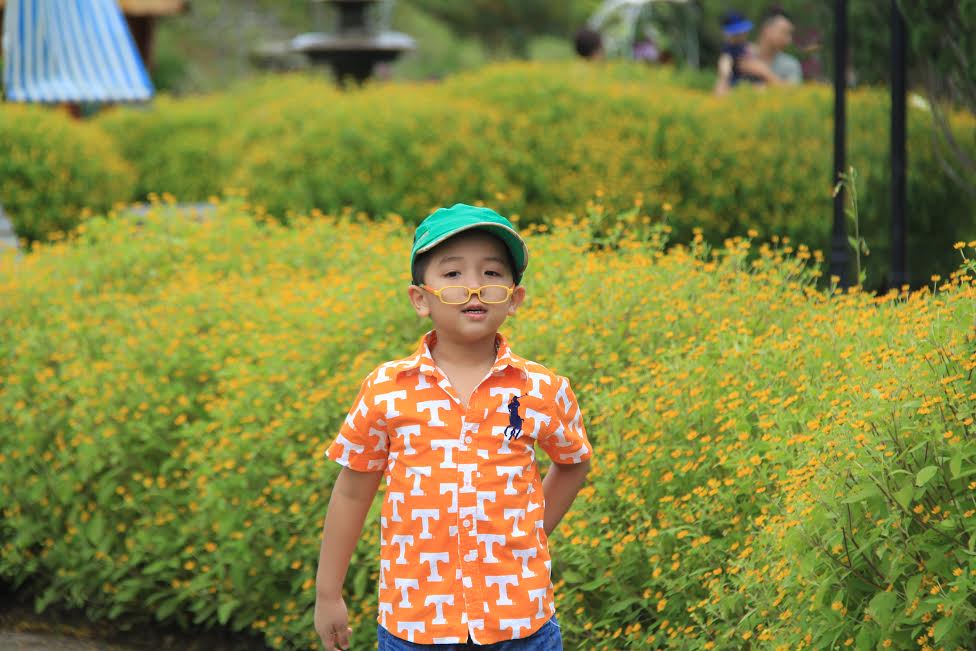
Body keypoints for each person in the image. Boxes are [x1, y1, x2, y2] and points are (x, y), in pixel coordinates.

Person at [313, 203, 593, 650]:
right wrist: (328, 594)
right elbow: (351, 491)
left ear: (514, 298)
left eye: (491, 273)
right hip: (416, 624)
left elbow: (574, 461)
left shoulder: (541, 387)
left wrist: (533, 529)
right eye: (453, 273)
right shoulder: (387, 388)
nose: (474, 287)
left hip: (521, 622)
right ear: (420, 299)